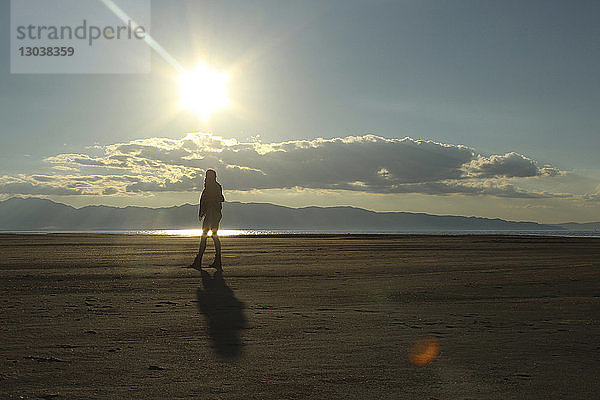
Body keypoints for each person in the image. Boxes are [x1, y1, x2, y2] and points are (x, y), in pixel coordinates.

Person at [190, 169, 225, 270]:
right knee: (211, 236)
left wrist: (204, 211)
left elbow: (218, 199)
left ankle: (200, 261)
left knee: (206, 236)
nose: (206, 178)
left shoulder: (213, 186)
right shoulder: (212, 186)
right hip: (213, 213)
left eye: (208, 176)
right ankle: (215, 261)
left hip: (212, 213)